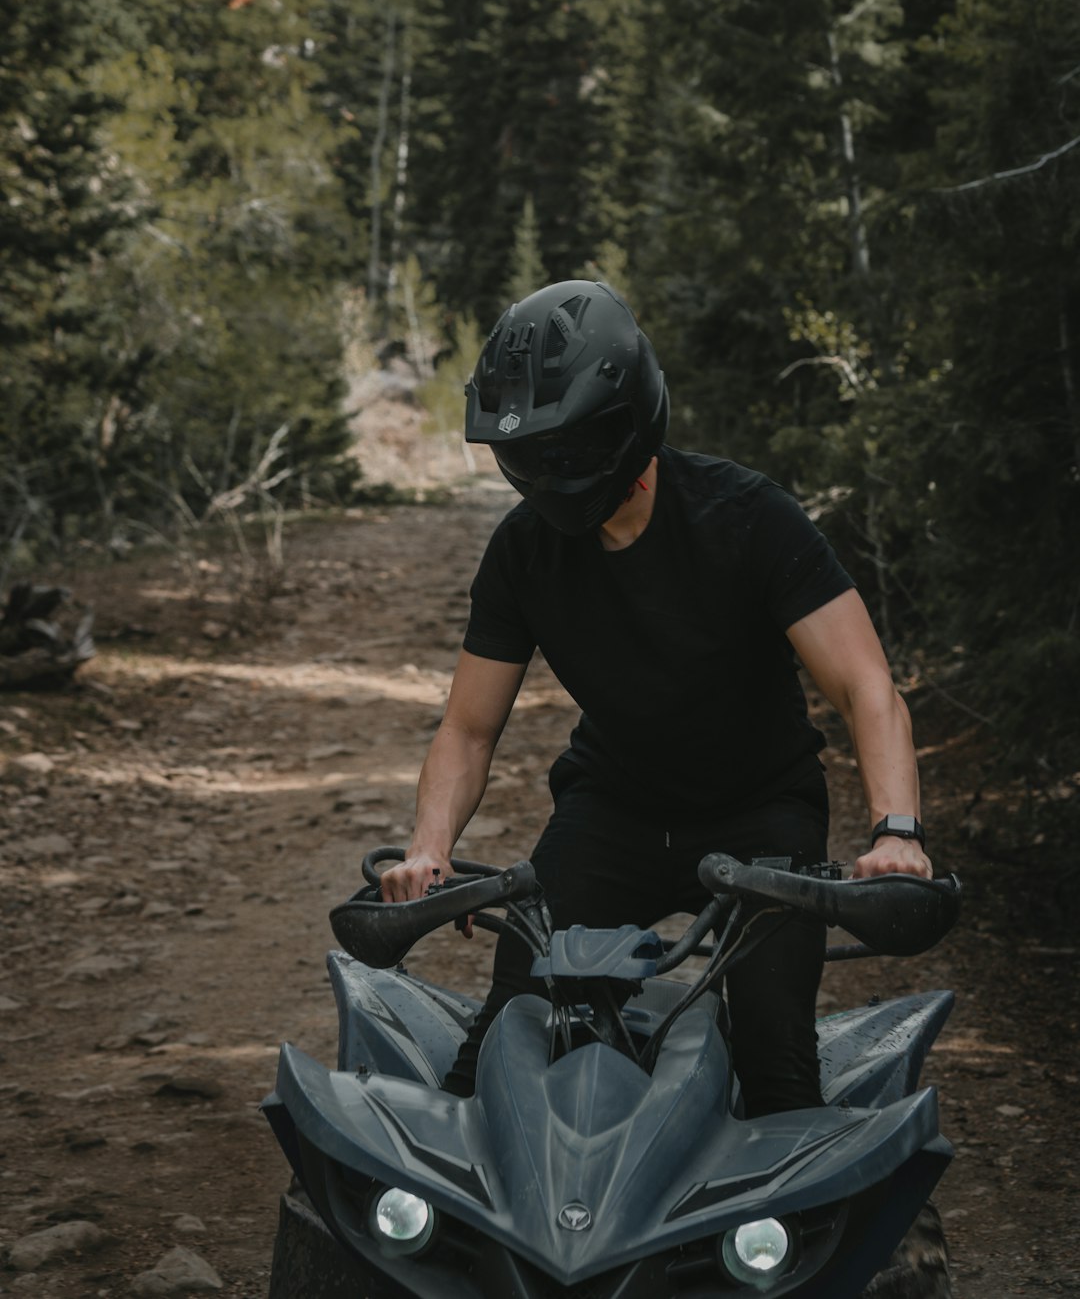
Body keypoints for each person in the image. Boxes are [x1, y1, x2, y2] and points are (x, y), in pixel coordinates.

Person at [380, 279, 931, 1115]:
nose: (536, 474)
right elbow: (467, 728)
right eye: (523, 454)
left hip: (761, 812)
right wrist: (428, 850)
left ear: (622, 423)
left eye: (558, 453)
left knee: (779, 1067)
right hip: (613, 810)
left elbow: (866, 685)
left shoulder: (748, 516)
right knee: (505, 1037)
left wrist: (897, 834)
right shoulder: (524, 550)